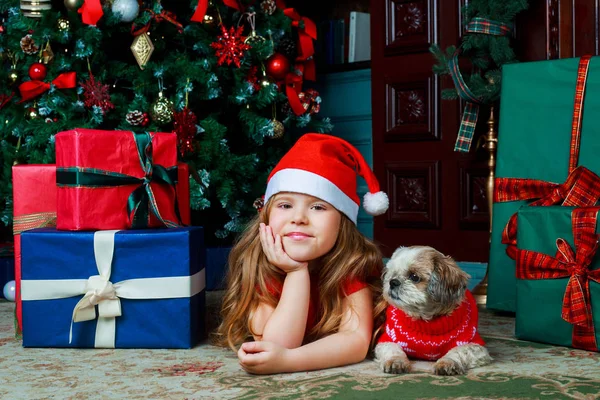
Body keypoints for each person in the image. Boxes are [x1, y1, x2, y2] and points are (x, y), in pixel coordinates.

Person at [214, 133, 389, 374]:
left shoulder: (352, 263)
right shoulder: (259, 260)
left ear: (343, 221)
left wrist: (288, 361)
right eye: (285, 205)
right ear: (266, 215)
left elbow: (356, 341)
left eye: (318, 207)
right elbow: (276, 344)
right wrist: (296, 272)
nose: (299, 218)